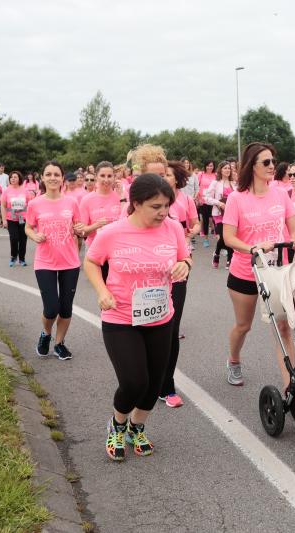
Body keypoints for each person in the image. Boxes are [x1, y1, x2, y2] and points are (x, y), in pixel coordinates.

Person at [84, 174, 191, 460]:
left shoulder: (173, 229)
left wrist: (184, 265)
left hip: (160, 317)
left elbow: (185, 257)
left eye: (166, 205)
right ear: (136, 203)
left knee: (155, 383)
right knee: (134, 381)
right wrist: (102, 290)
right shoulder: (113, 232)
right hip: (121, 318)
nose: (163, 212)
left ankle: (137, 426)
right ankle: (117, 425)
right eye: (155, 206)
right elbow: (92, 261)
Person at [222, 142, 295, 387]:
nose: (272, 166)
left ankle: (290, 386)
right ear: (252, 166)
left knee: (284, 327)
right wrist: (252, 248)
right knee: (243, 325)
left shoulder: (281, 193)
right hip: (246, 271)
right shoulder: (237, 199)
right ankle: (234, 359)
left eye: (273, 161)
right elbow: (229, 237)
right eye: (265, 162)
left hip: (276, 271)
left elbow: (294, 226)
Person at [24, 161, 84, 360]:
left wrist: (79, 229)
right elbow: (28, 227)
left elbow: (78, 225)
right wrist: (34, 236)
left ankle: (59, 343)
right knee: (51, 309)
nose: (52, 178)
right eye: (48, 174)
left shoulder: (71, 202)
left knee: (66, 308)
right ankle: (46, 334)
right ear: (42, 177)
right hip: (45, 262)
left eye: (56, 174)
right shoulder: (35, 204)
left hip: (70, 262)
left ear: (62, 178)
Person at [158, 161, 200, 408]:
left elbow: (195, 224)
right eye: (161, 174)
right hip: (150, 271)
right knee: (152, 327)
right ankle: (147, 379)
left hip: (180, 264)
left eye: (167, 175)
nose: (164, 178)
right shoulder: (145, 200)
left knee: (171, 327)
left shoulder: (185, 200)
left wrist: (189, 232)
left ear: (177, 179)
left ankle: (167, 383)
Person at [78, 162, 121, 281]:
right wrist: (96, 226)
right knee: (104, 291)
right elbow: (82, 232)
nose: (106, 180)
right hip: (96, 249)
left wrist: (122, 196)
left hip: (118, 250)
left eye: (109, 176)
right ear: (96, 176)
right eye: (102, 176)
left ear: (114, 177)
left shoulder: (121, 196)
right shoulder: (87, 200)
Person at [205, 161, 238, 268]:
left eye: (229, 168)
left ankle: (229, 258)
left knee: (230, 237)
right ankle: (217, 253)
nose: (227, 170)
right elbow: (207, 198)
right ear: (220, 170)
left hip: (232, 214)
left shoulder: (234, 183)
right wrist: (219, 203)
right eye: (225, 168)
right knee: (223, 237)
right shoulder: (215, 183)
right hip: (219, 213)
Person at [0, 171, 30, 267]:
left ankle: (22, 259)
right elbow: (3, 206)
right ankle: (13, 257)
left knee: (23, 239)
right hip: (11, 218)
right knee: (14, 238)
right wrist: (4, 220)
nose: (13, 179)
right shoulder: (6, 191)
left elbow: (30, 205)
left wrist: (30, 219)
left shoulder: (25, 191)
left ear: (19, 179)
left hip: (23, 218)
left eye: (15, 177)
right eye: (11, 177)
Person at [197, 160, 217, 247]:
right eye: (208, 166)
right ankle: (206, 239)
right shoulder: (201, 174)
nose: (210, 167)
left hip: (213, 201)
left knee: (215, 220)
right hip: (203, 200)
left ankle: (219, 240)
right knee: (205, 220)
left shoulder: (216, 175)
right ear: (205, 166)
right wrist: (198, 199)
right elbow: (197, 187)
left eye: (211, 166)